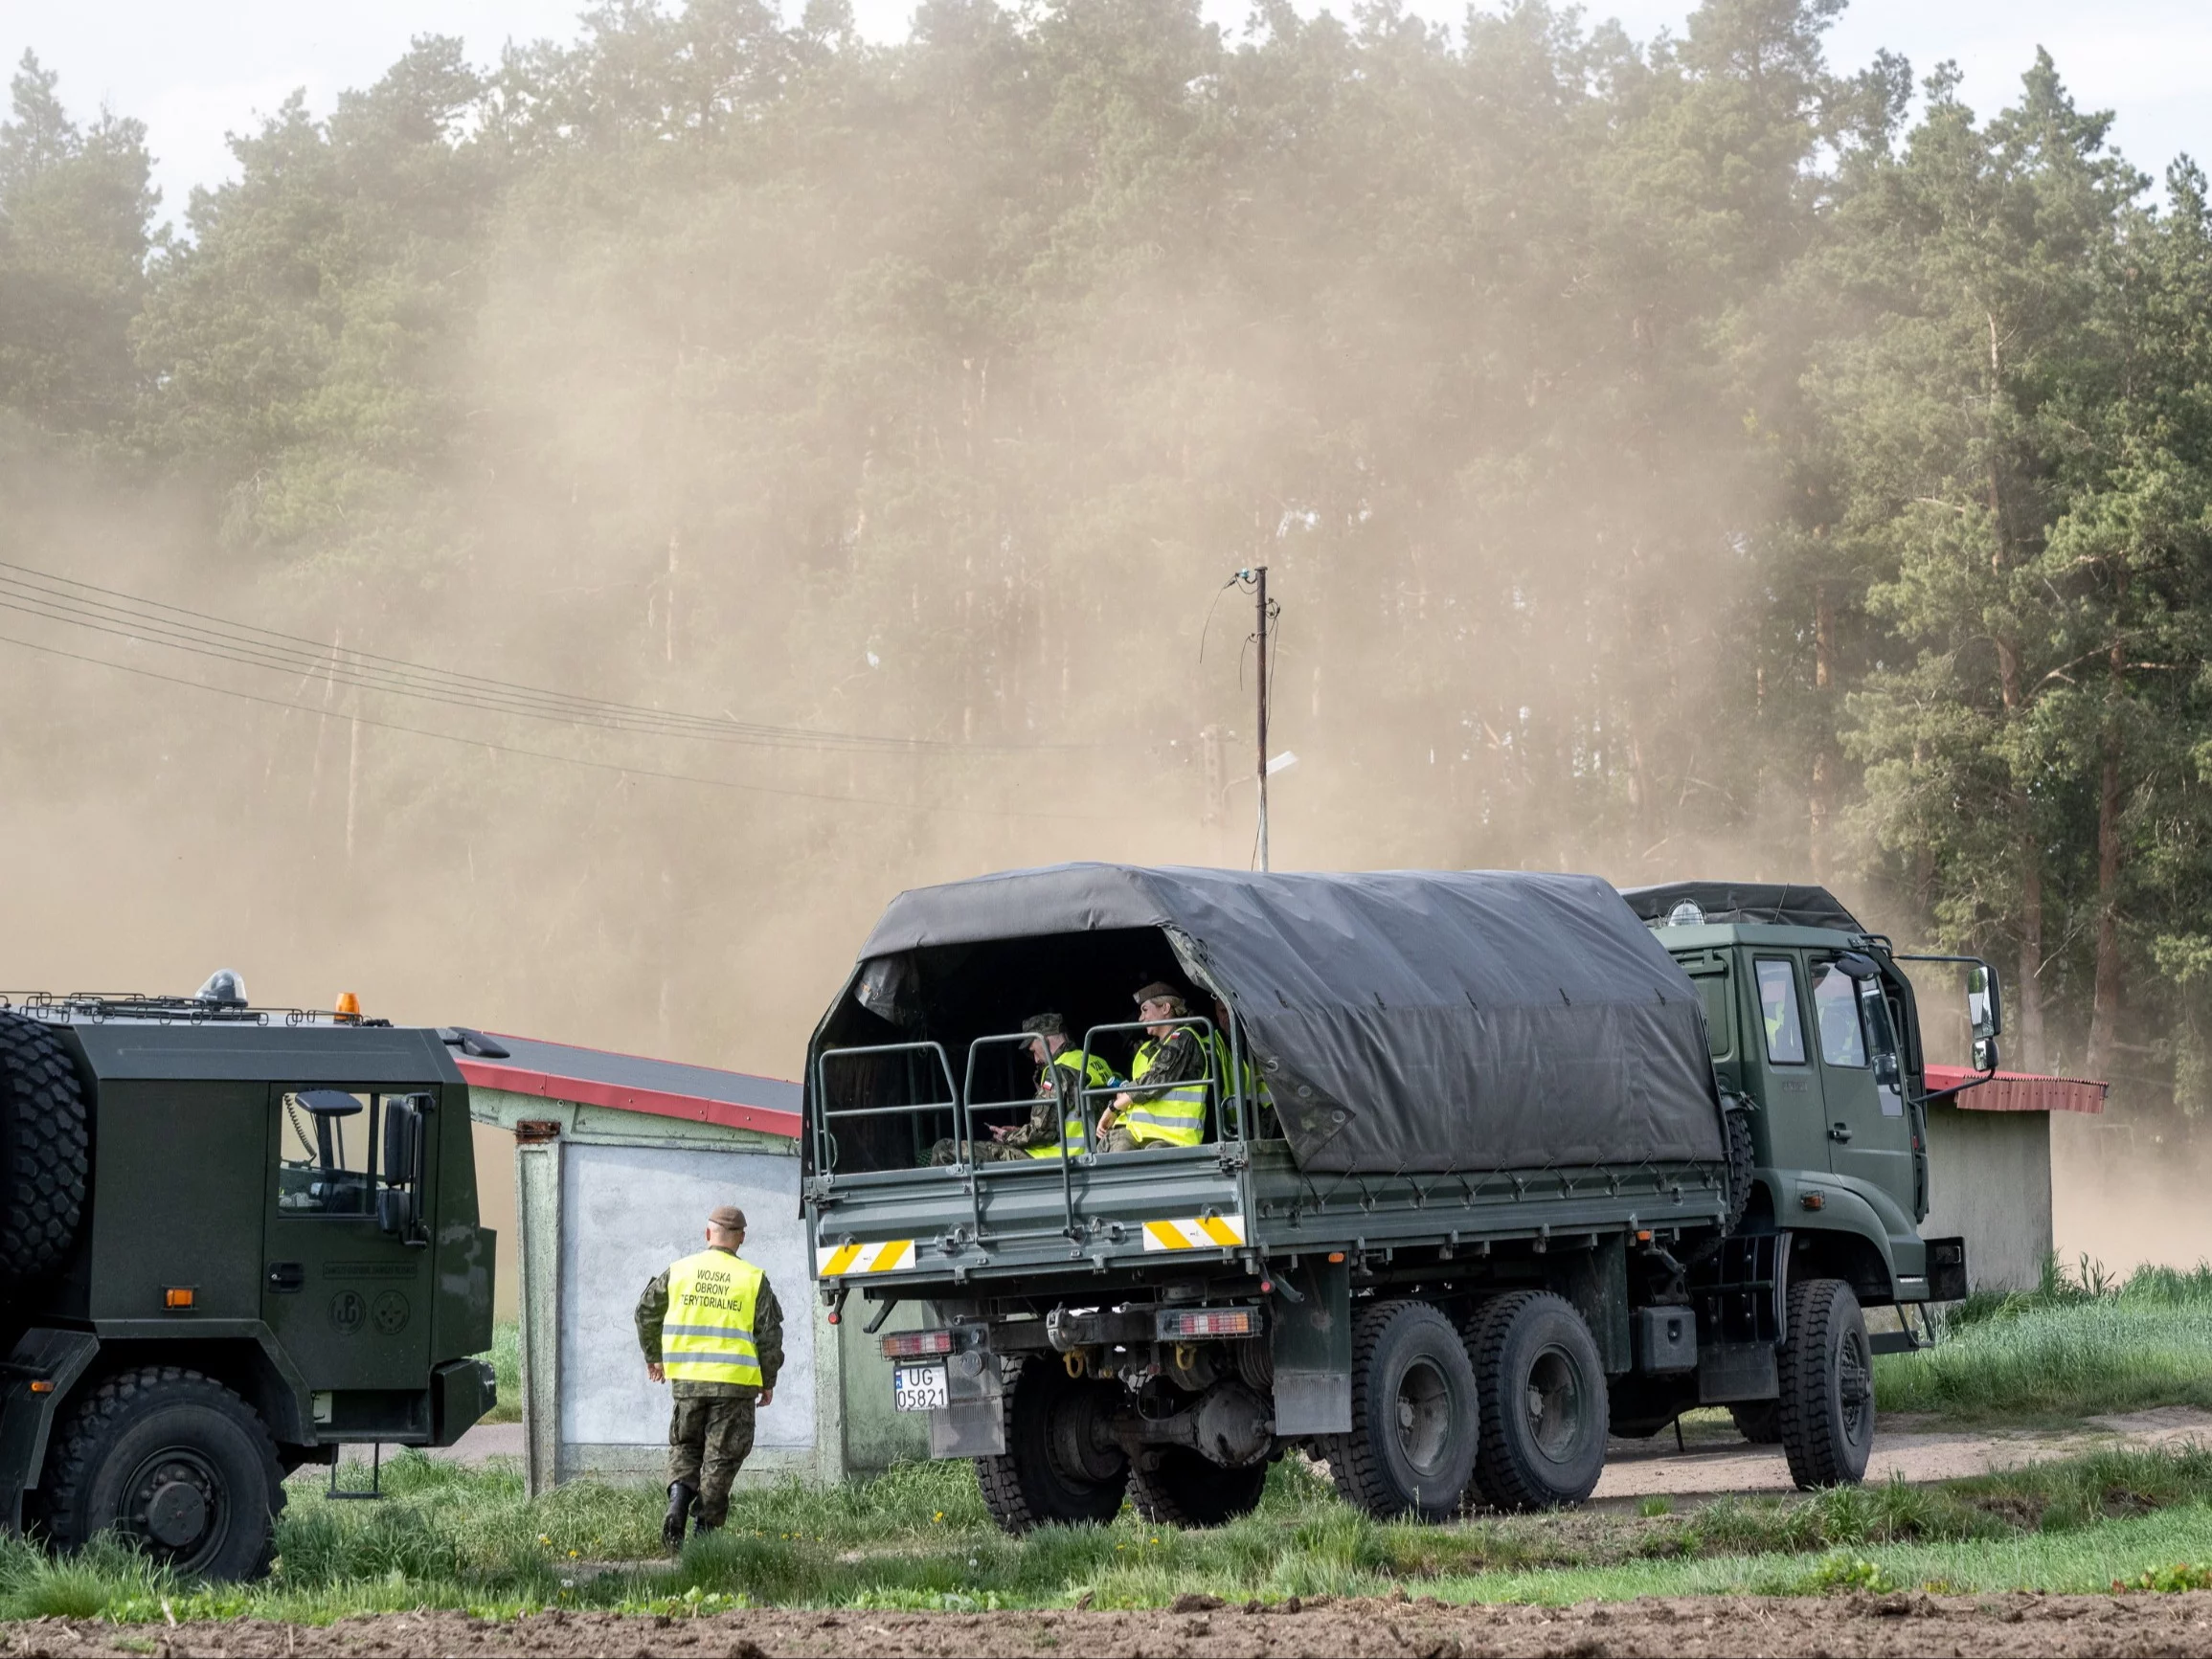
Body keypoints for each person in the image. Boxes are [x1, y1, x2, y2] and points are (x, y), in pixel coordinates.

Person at [636, 1205, 782, 1552]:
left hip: (686, 1382)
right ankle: (703, 1535)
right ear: (741, 1238)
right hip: (734, 1384)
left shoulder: (680, 1271)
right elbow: (769, 1334)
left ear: (707, 1235)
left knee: (686, 1448)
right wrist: (768, 1378)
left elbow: (645, 1311)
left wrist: (654, 1356)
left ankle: (677, 1504)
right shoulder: (752, 1279)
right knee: (721, 1457)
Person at [927, 1013, 1117, 1164]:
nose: (1035, 1060)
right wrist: (1020, 1131)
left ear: (1045, 1040)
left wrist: (1008, 1136)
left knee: (945, 1149)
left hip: (1052, 1158)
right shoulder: (1097, 1063)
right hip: (1088, 1153)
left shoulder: (1057, 1071)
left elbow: (1043, 1132)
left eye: (1033, 1050)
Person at [1100, 982, 1209, 1151]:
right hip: (1139, 1133)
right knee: (1110, 1148)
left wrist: (1114, 1107)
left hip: (1171, 1137)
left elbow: (1154, 1081)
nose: (1140, 1018)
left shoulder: (1184, 1038)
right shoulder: (1150, 1049)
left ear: (1165, 1008)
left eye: (1145, 1010)